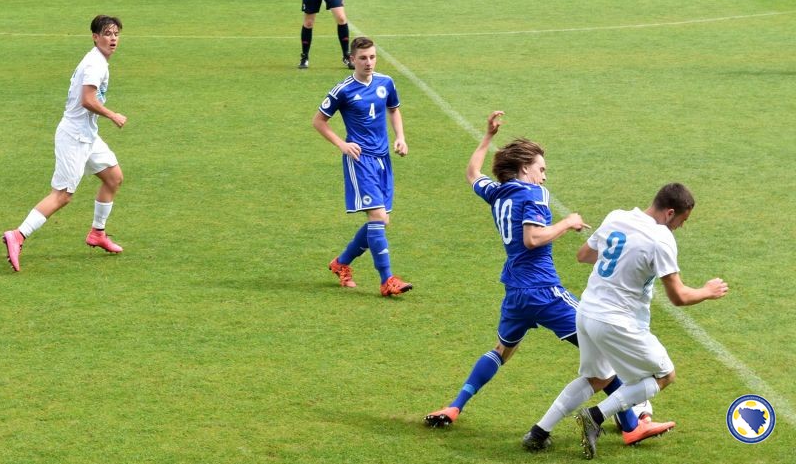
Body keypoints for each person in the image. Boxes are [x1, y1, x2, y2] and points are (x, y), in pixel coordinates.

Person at [425, 111, 655, 440]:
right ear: (524, 169)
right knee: (606, 346)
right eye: (541, 169)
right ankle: (631, 425)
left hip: (515, 292)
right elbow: (532, 238)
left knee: (502, 351)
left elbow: (473, 173)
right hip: (544, 291)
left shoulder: (498, 193)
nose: (544, 178)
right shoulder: (533, 194)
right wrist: (568, 222)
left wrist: (487, 137)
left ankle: (455, 406)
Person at [531, 183, 728, 459]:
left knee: (597, 377)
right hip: (615, 321)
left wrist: (623, 260)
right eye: (682, 221)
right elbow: (679, 297)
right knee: (664, 375)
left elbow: (584, 255)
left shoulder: (617, 216)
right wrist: (708, 291)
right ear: (670, 213)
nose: (680, 227)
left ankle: (538, 433)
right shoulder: (660, 238)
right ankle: (595, 416)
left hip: (586, 312)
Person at [2, 15, 127, 272]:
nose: (113, 38)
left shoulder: (98, 60)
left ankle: (97, 233)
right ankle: (18, 234)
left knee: (113, 178)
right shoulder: (95, 64)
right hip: (75, 137)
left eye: (116, 34)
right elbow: (87, 100)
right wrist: (113, 115)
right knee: (62, 195)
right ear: (95, 37)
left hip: (88, 135)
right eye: (107, 33)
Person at [311, 36, 413, 297]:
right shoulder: (343, 90)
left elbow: (394, 109)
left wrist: (400, 137)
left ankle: (341, 263)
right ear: (352, 59)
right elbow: (319, 121)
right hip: (360, 160)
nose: (369, 62)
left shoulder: (385, 82)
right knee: (377, 218)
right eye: (363, 58)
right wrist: (342, 145)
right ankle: (387, 280)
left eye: (372, 57)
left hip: (383, 160)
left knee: (382, 221)